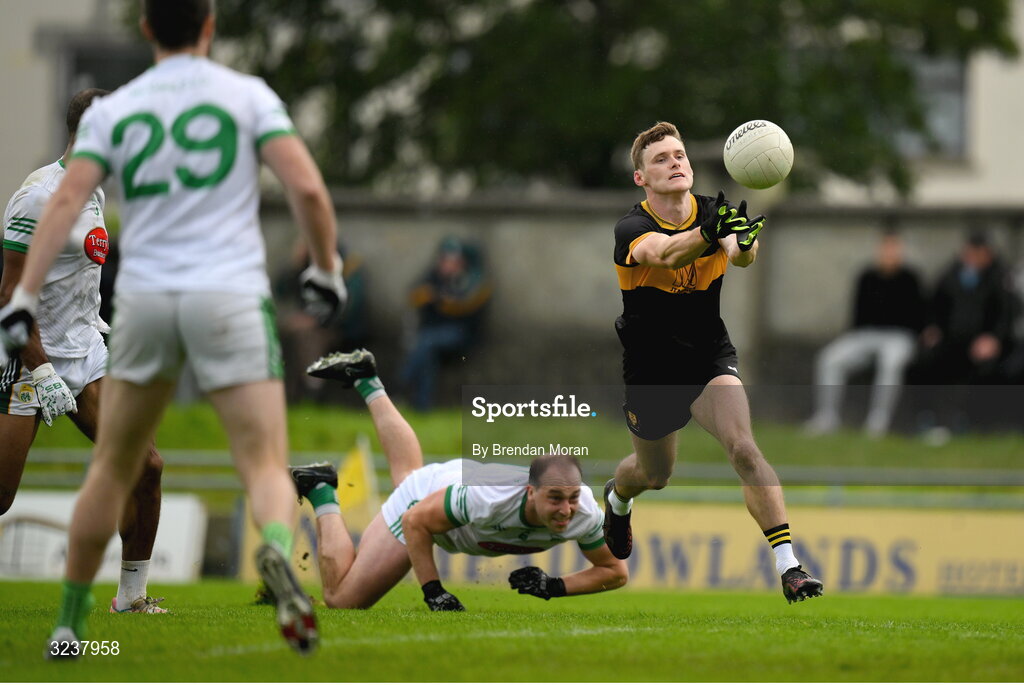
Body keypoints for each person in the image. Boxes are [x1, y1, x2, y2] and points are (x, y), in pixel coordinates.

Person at [0, 0, 347, 656]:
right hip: (225, 297)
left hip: (142, 306)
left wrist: (19, 304)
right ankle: (276, 551)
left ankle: (78, 621)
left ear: (146, 28)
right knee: (264, 461)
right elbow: (305, 185)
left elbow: (71, 200)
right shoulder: (245, 93)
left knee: (123, 469)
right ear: (211, 28)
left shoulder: (122, 119)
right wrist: (326, 270)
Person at [603, 121, 822, 603]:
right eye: (660, 159)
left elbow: (741, 255)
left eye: (679, 155)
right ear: (641, 179)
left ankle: (790, 566)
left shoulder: (712, 211)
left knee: (743, 448)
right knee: (653, 476)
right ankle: (617, 500)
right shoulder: (632, 228)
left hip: (707, 356)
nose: (675, 162)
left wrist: (741, 240)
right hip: (651, 369)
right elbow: (663, 254)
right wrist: (710, 232)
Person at [0, 88, 167, 615]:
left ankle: (132, 598)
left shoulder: (93, 193)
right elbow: (9, 295)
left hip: (85, 351)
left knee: (146, 466)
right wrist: (42, 369)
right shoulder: (38, 196)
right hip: (27, 354)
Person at [293, 348, 627, 610]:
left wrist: (554, 586)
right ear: (530, 492)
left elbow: (614, 572)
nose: (566, 510)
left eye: (571, 498)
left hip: (451, 480)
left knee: (411, 472)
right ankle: (322, 489)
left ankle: (365, 379)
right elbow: (414, 522)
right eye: (555, 498)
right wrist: (433, 591)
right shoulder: (488, 498)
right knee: (344, 600)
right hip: (422, 502)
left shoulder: (584, 511)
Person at [804, 231, 926, 437]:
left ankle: (878, 421)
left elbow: (917, 318)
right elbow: (858, 317)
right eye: (885, 249)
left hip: (899, 337)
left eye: (894, 250)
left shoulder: (911, 279)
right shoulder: (866, 277)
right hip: (866, 335)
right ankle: (827, 417)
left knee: (891, 362)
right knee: (830, 358)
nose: (889, 254)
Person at [909, 232, 1015, 385]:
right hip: (950, 336)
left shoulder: (999, 277)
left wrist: (994, 338)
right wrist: (932, 327)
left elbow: (1006, 313)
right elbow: (935, 303)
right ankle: (927, 408)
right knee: (925, 356)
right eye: (970, 252)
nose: (973, 258)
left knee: (989, 365)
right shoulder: (951, 273)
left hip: (983, 338)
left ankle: (976, 408)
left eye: (979, 253)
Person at [400, 236, 491, 410]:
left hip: (460, 334)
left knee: (426, 342)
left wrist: (441, 298)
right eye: (445, 260)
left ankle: (401, 383)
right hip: (431, 334)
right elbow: (414, 296)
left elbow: (463, 306)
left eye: (453, 261)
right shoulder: (432, 277)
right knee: (427, 352)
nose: (448, 265)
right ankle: (421, 405)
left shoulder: (469, 282)